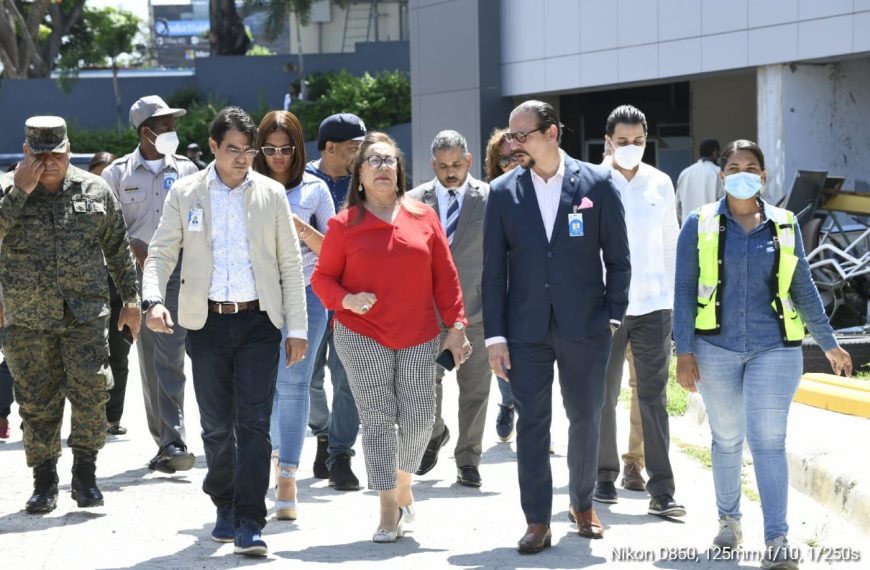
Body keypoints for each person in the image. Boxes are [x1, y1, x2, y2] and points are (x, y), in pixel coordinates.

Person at [675, 139, 852, 567]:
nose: (741, 172)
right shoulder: (698, 224)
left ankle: (777, 541)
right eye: (733, 166)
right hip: (714, 348)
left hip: (774, 349)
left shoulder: (785, 224)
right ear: (722, 175)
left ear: (764, 175)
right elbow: (682, 291)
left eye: (750, 166)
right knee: (727, 438)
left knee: (768, 441)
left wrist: (829, 343)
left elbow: (803, 288)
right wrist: (683, 350)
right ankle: (729, 521)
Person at [142, 106, 308, 556]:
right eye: (232, 149)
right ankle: (225, 503)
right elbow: (159, 254)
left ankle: (251, 519)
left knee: (253, 424)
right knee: (216, 426)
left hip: (259, 323)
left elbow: (291, 267)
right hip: (207, 323)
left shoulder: (271, 194)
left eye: (248, 150)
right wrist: (153, 300)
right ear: (213, 147)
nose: (242, 158)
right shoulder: (188, 193)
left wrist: (298, 328)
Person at [482, 101, 630, 552]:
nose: (513, 144)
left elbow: (618, 258)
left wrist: (611, 317)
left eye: (521, 135)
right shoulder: (504, 191)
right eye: (510, 136)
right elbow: (493, 272)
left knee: (586, 416)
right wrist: (495, 337)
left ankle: (583, 504)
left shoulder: (598, 183)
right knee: (532, 424)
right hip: (525, 329)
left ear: (552, 133)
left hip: (585, 325)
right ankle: (536, 520)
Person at [312, 132, 471, 543]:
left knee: (420, 418)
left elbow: (446, 277)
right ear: (360, 176)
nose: (383, 167)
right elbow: (322, 279)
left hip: (418, 334)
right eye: (373, 161)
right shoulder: (343, 225)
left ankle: (402, 483)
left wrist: (456, 328)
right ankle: (387, 507)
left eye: (390, 160)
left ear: (399, 172)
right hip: (361, 335)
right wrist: (347, 299)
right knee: (379, 419)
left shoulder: (423, 216)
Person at [0, 116, 140, 513]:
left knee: (92, 393)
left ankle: (86, 475)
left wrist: (132, 300)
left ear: (69, 148)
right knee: (35, 402)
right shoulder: (6, 190)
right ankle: (44, 481)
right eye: (40, 155)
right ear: (26, 153)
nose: (49, 163)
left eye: (57, 154)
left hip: (85, 316)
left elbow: (118, 248)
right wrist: (19, 193)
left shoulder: (94, 189)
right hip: (27, 319)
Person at [594, 105, 684, 517]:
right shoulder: (591, 183)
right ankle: (603, 477)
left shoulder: (661, 183)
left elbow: (671, 244)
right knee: (603, 396)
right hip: (605, 308)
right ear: (608, 141)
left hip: (653, 307)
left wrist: (674, 302)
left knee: (653, 397)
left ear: (647, 141)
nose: (631, 148)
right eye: (623, 141)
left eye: (638, 142)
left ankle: (661, 489)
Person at [101, 95, 199, 470]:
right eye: (166, 126)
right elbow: (106, 231)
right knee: (156, 360)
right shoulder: (117, 174)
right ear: (146, 132)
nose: (173, 131)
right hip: (139, 278)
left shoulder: (189, 170)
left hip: (185, 273)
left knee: (173, 358)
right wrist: (133, 246)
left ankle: (173, 442)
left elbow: (199, 219)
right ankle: (169, 442)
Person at [253, 110, 336, 519]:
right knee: (264, 385)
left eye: (286, 149)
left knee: (295, 382)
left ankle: (287, 475)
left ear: (298, 148)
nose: (278, 156)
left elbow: (335, 253)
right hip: (259, 298)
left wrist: (300, 228)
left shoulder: (317, 190)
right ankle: (274, 457)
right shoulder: (246, 187)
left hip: (308, 295)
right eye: (269, 149)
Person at [408, 130, 491, 487]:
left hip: (476, 312)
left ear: (469, 161)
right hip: (429, 313)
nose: (451, 172)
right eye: (443, 167)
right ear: (433, 166)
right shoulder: (414, 200)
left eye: (457, 164)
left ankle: (468, 459)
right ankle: (434, 432)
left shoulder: (490, 198)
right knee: (425, 382)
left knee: (476, 388)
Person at [305, 113, 367, 488]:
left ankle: (341, 453)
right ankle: (323, 434)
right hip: (310, 295)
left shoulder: (366, 183)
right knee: (308, 378)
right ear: (330, 148)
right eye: (354, 149)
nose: (362, 156)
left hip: (354, 298)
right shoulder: (301, 180)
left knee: (348, 380)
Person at [483, 127, 519, 442]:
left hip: (535, 288)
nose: (510, 163)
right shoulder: (491, 193)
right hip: (500, 287)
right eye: (502, 158)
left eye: (515, 156)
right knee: (502, 352)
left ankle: (538, 421)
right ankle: (508, 403)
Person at [676, 139, 721, 224]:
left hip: (687, 228)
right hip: (710, 231)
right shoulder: (717, 172)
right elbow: (725, 203)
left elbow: (677, 207)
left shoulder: (685, 173)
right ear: (715, 153)